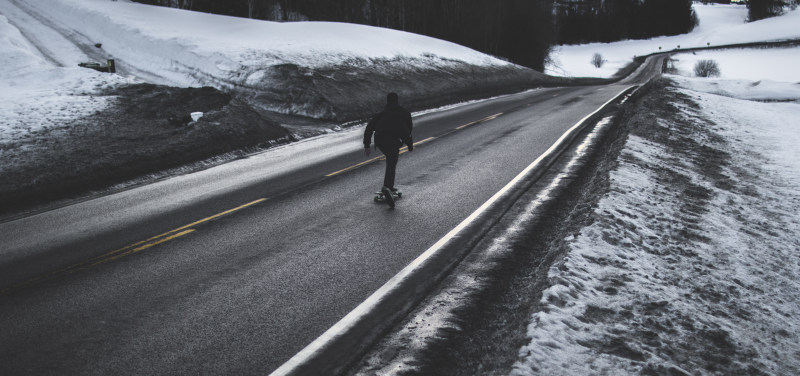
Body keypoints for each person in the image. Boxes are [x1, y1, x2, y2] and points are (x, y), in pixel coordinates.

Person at [363, 92, 413, 207]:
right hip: (393, 140)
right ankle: (387, 187)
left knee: (391, 160)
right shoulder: (404, 113)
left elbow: (369, 128)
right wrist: (410, 145)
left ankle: (388, 186)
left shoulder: (381, 114)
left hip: (380, 140)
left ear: (387, 101)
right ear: (397, 100)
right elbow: (408, 131)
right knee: (392, 162)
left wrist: (366, 145)